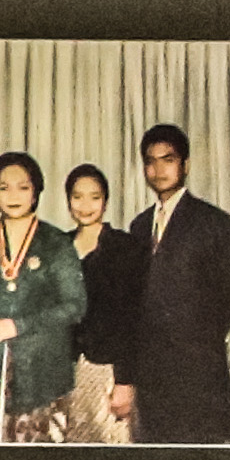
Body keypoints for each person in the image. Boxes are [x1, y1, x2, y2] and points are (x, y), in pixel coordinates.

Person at [120, 120, 230, 441]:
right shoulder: (139, 227)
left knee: (197, 454)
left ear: (185, 165)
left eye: (167, 160)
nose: (158, 170)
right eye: (150, 162)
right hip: (151, 374)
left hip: (197, 370)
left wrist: (196, 339)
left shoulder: (213, 222)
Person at [0, 152, 87, 442]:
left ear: (36, 191)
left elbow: (76, 306)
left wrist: (19, 325)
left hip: (43, 377)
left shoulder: (56, 243)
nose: (13, 195)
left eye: (23, 187)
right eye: (3, 187)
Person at [62, 162, 140, 442]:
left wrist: (124, 381)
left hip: (107, 371)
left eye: (94, 197)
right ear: (68, 200)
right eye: (77, 197)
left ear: (105, 202)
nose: (85, 205)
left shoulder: (124, 247)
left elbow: (132, 319)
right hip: (66, 372)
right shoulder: (58, 246)